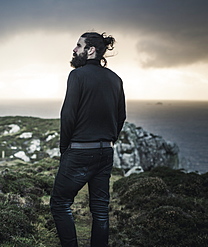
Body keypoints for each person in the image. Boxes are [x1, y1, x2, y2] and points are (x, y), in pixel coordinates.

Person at [50, 32, 126, 247]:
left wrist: (65, 149)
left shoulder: (77, 75)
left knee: (60, 204)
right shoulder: (116, 79)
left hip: (79, 152)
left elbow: (68, 115)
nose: (74, 50)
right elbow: (121, 117)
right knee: (101, 210)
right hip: (106, 151)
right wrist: (110, 141)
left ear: (90, 50)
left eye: (78, 45)